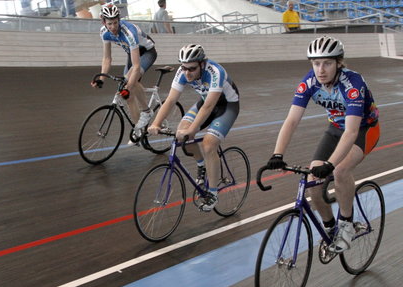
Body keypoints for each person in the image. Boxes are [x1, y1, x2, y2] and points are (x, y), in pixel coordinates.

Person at [265, 36, 380, 252]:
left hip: (364, 129)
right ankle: (330, 228)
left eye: (327, 63)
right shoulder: (309, 82)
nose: (321, 69)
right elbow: (291, 121)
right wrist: (277, 154)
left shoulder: (353, 84)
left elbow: (352, 131)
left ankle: (347, 224)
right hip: (335, 128)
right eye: (316, 63)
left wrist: (331, 163)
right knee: (313, 182)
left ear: (339, 63)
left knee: (340, 171)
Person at [148, 44, 240, 212]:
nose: (187, 73)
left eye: (191, 69)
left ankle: (212, 193)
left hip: (227, 106)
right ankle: (202, 165)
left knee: (208, 144)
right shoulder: (182, 72)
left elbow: (209, 106)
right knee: (181, 133)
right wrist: (156, 123)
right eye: (184, 68)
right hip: (206, 102)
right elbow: (170, 101)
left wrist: (193, 130)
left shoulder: (215, 72)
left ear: (202, 64)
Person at [91, 3, 158, 139]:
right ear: (103, 22)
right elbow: (107, 58)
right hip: (132, 53)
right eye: (109, 24)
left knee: (129, 83)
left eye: (115, 23)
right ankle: (138, 131)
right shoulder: (104, 33)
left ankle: (146, 111)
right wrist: (101, 79)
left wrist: (129, 85)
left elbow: (136, 67)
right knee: (127, 94)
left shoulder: (129, 32)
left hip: (146, 52)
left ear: (119, 20)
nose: (113, 27)